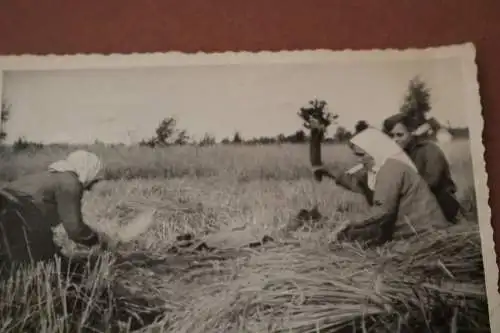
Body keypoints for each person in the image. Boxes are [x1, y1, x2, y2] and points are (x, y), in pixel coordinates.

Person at [0, 150, 110, 277]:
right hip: (15, 219)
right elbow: (75, 230)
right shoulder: (70, 183)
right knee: (30, 272)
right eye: (95, 180)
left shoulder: (51, 176)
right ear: (88, 169)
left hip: (11, 213)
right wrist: (98, 240)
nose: (90, 187)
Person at [336, 128, 450, 247]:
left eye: (361, 155)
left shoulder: (390, 170)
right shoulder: (387, 166)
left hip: (423, 235)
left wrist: (351, 222)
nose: (359, 160)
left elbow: (383, 211)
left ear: (375, 151)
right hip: (419, 232)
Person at [382, 113, 461, 223]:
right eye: (391, 136)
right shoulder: (398, 155)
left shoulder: (429, 149)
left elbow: (432, 182)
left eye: (400, 135)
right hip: (415, 206)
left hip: (440, 205)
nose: (395, 140)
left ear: (411, 132)